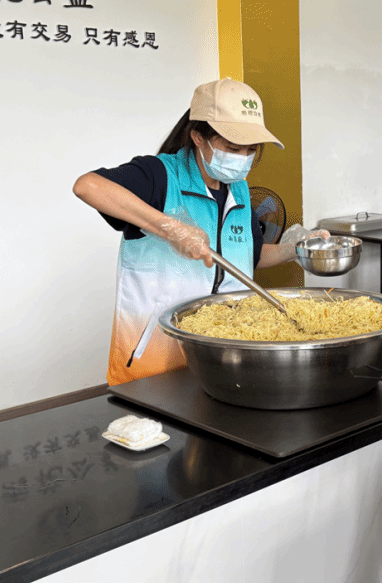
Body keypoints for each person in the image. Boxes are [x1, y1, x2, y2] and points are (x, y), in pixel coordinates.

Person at [73, 78, 327, 386]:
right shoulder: (160, 175)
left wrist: (294, 249)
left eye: (251, 150)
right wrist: (171, 229)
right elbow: (88, 186)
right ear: (198, 136)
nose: (243, 158)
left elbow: (249, 256)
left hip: (224, 356)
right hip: (157, 359)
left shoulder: (239, 190)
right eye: (233, 148)